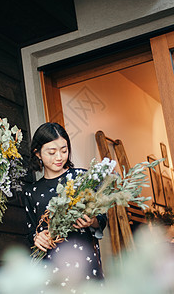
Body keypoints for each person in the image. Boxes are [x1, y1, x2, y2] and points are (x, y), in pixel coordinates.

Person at [23, 122, 107, 289]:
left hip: (84, 261)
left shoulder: (83, 178)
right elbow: (32, 230)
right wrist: (37, 238)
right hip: (50, 267)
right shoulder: (31, 191)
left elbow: (102, 219)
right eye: (52, 152)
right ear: (38, 153)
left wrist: (92, 221)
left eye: (64, 150)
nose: (59, 157)